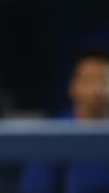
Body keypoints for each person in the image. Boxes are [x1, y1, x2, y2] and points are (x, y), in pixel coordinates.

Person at [18, 50, 109, 193]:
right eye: (90, 79)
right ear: (73, 87)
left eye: (104, 81)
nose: (98, 89)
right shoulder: (53, 135)